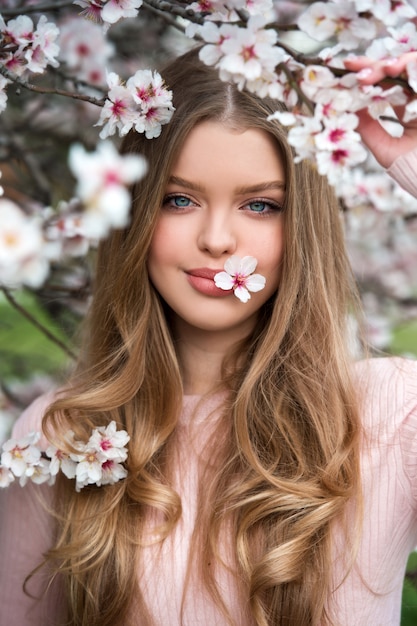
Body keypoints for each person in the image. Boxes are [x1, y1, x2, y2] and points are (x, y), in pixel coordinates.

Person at [1, 46, 417, 626]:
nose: (218, 239)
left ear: (304, 226)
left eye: (260, 205)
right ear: (133, 213)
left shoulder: (393, 414)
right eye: (179, 199)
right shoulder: (62, 436)